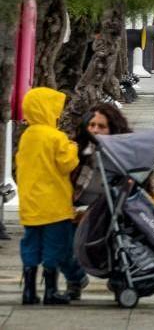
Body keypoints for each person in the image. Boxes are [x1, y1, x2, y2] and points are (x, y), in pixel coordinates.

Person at [16, 87, 79, 305]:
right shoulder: (56, 137)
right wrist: (73, 148)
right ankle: (50, 290)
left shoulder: (27, 137)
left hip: (31, 204)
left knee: (31, 245)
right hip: (53, 204)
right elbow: (66, 165)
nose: (58, 113)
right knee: (54, 247)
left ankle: (29, 290)